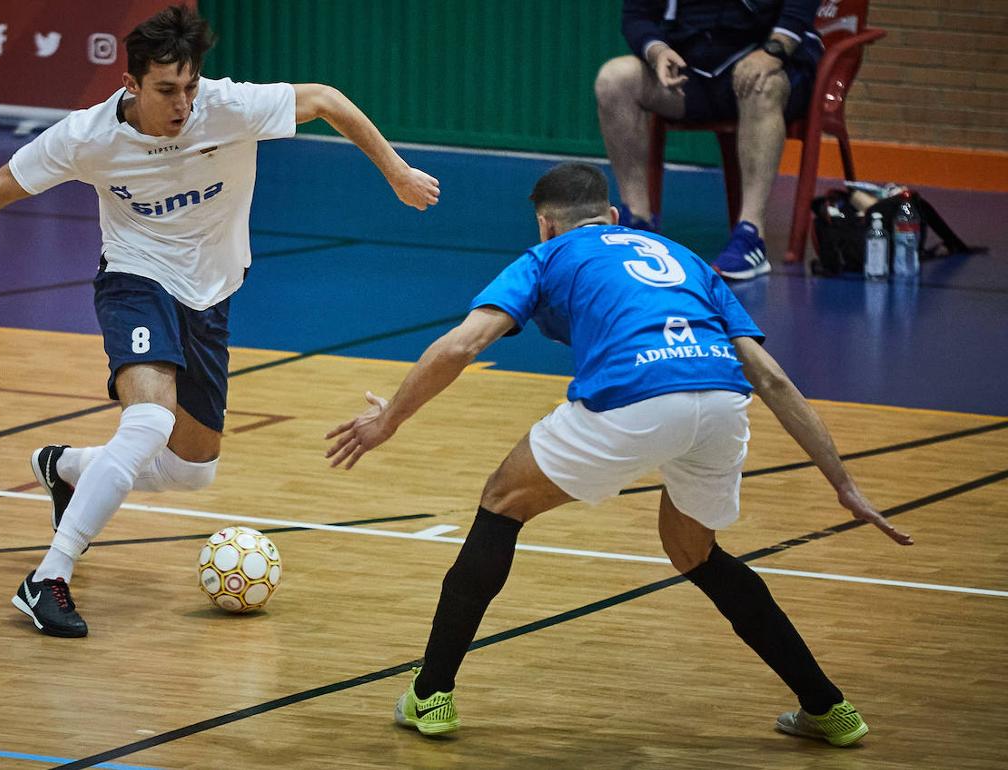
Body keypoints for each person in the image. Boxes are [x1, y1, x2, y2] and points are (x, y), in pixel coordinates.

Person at [0, 5, 440, 638]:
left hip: (211, 297)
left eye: (190, 87)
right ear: (131, 85)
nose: (182, 104)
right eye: (167, 90)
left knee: (191, 470)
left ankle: (63, 467)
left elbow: (328, 100)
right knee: (147, 421)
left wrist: (394, 170)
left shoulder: (227, 107)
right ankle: (47, 580)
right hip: (135, 280)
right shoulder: (86, 137)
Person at [325, 161, 911, 746]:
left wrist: (388, 422)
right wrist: (842, 482)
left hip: (636, 397)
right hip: (721, 405)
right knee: (695, 552)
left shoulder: (548, 256)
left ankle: (430, 695)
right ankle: (829, 709)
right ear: (611, 216)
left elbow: (462, 345)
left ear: (545, 225)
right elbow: (773, 379)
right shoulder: (684, 257)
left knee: (502, 503)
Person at [595, 0, 825, 280]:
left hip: (769, 60)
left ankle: (750, 234)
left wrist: (773, 51)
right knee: (615, 79)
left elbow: (799, 9)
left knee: (762, 85)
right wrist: (657, 51)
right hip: (692, 71)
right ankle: (638, 225)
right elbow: (636, 16)